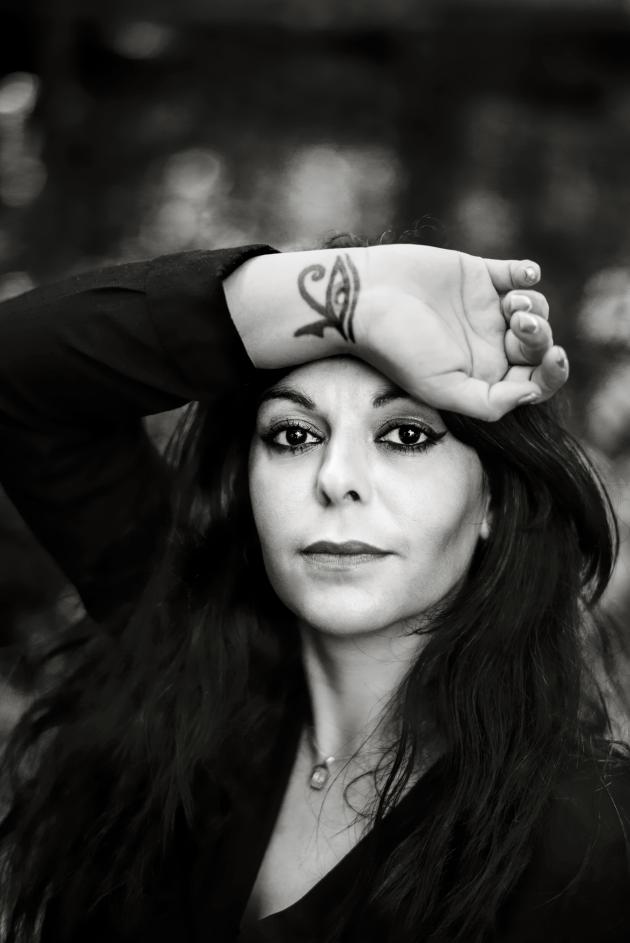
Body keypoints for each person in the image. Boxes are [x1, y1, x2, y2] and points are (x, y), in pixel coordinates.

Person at [0, 239, 628, 943]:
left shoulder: (592, 846)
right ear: (245, 480)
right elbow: (18, 373)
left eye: (406, 434)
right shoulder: (189, 664)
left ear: (492, 503)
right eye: (294, 434)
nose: (335, 477)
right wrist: (342, 293)